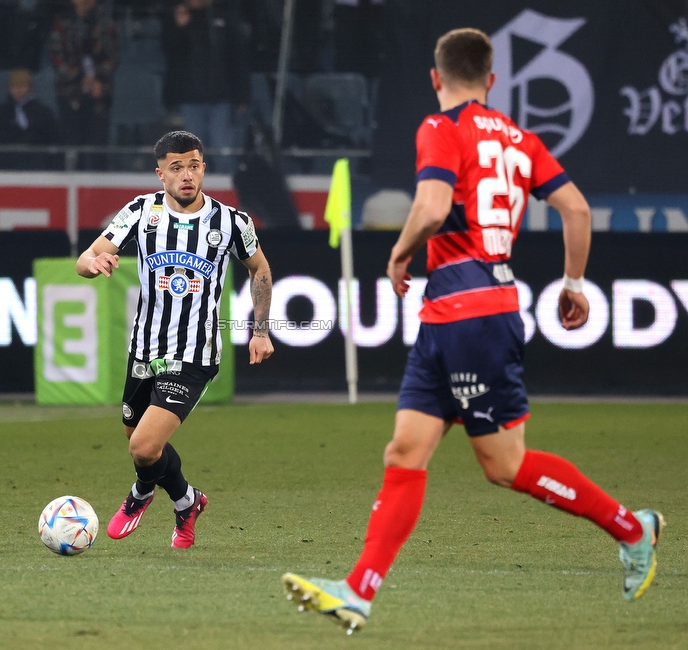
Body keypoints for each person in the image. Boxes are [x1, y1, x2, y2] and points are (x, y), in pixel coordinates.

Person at [281, 28, 664, 634]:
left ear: (436, 79)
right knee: (405, 451)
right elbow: (577, 209)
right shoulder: (520, 137)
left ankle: (630, 528)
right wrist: (573, 284)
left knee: (505, 465)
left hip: (472, 313)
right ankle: (357, 592)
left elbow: (432, 209)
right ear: (491, 79)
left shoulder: (439, 128)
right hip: (456, 315)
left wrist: (399, 253)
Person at [76, 130, 274, 548]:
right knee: (137, 442)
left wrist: (260, 331)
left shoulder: (231, 222)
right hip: (144, 350)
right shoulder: (140, 211)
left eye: (194, 165)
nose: (187, 175)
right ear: (160, 174)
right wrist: (96, 263)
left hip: (194, 355)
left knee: (146, 448)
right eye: (177, 167)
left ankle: (140, 494)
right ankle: (187, 500)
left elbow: (260, 270)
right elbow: (85, 258)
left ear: (204, 167)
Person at [161, 0, 250, 173]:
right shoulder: (176, 16)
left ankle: (226, 193)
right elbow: (170, 53)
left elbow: (238, 58)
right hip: (190, 97)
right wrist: (180, 28)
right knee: (194, 153)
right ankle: (197, 196)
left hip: (222, 95)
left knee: (223, 149)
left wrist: (243, 95)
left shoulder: (225, 15)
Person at [48, 0, 119, 169]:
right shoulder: (61, 23)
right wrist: (81, 78)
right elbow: (56, 56)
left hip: (99, 92)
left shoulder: (105, 22)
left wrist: (97, 80)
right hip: (69, 92)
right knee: (72, 145)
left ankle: (99, 190)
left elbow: (113, 54)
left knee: (98, 147)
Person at [0, 69, 59, 170]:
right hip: (4, 169)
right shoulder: (0, 113)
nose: (18, 90)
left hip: (36, 171)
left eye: (22, 86)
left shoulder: (43, 113)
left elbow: (55, 142)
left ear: (30, 88)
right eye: (14, 86)